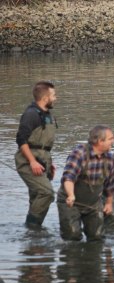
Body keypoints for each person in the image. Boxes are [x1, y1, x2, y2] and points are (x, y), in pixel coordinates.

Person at [57, 125, 114, 241]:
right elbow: (68, 178)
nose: (113, 141)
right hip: (70, 202)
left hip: (93, 205)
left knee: (97, 237)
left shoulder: (109, 158)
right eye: (111, 139)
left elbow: (110, 184)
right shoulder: (79, 153)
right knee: (72, 236)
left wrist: (109, 203)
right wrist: (70, 195)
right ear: (100, 141)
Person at [15, 81, 57, 226]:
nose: (55, 98)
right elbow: (21, 140)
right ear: (45, 98)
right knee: (47, 193)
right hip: (29, 161)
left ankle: (33, 236)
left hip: (43, 160)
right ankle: (32, 226)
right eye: (53, 95)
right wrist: (32, 161)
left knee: (36, 197)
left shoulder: (48, 114)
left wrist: (50, 163)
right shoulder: (31, 114)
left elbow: (45, 145)